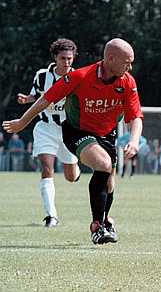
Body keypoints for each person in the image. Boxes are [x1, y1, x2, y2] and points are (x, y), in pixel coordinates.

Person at [3, 38, 143, 245]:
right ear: (111, 59)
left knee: (109, 183)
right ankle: (97, 226)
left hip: (107, 134)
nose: (130, 67)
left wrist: (134, 140)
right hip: (77, 131)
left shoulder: (127, 81)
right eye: (127, 62)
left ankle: (105, 219)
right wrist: (23, 122)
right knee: (103, 164)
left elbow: (135, 116)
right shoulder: (80, 76)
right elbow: (46, 99)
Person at [17, 38, 80, 227]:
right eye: (63, 58)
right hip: (45, 128)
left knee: (70, 177)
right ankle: (51, 215)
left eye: (70, 58)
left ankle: (75, 168)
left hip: (69, 130)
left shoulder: (79, 77)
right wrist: (27, 99)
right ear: (55, 57)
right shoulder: (42, 76)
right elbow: (37, 96)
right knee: (46, 168)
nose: (67, 62)